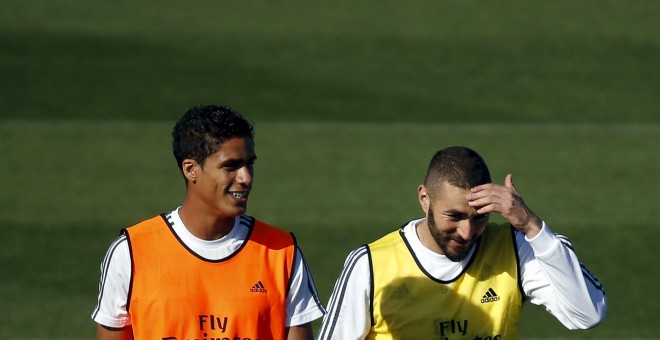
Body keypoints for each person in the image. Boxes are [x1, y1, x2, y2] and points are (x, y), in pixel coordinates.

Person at [319, 146, 607, 339]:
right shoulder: (370, 264)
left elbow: (586, 314)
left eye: (479, 217)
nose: (467, 232)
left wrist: (532, 226)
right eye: (454, 216)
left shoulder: (516, 249)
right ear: (424, 199)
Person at [92, 104, 325, 340]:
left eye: (249, 164)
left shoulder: (281, 252)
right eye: (231, 166)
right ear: (191, 170)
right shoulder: (131, 252)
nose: (246, 178)